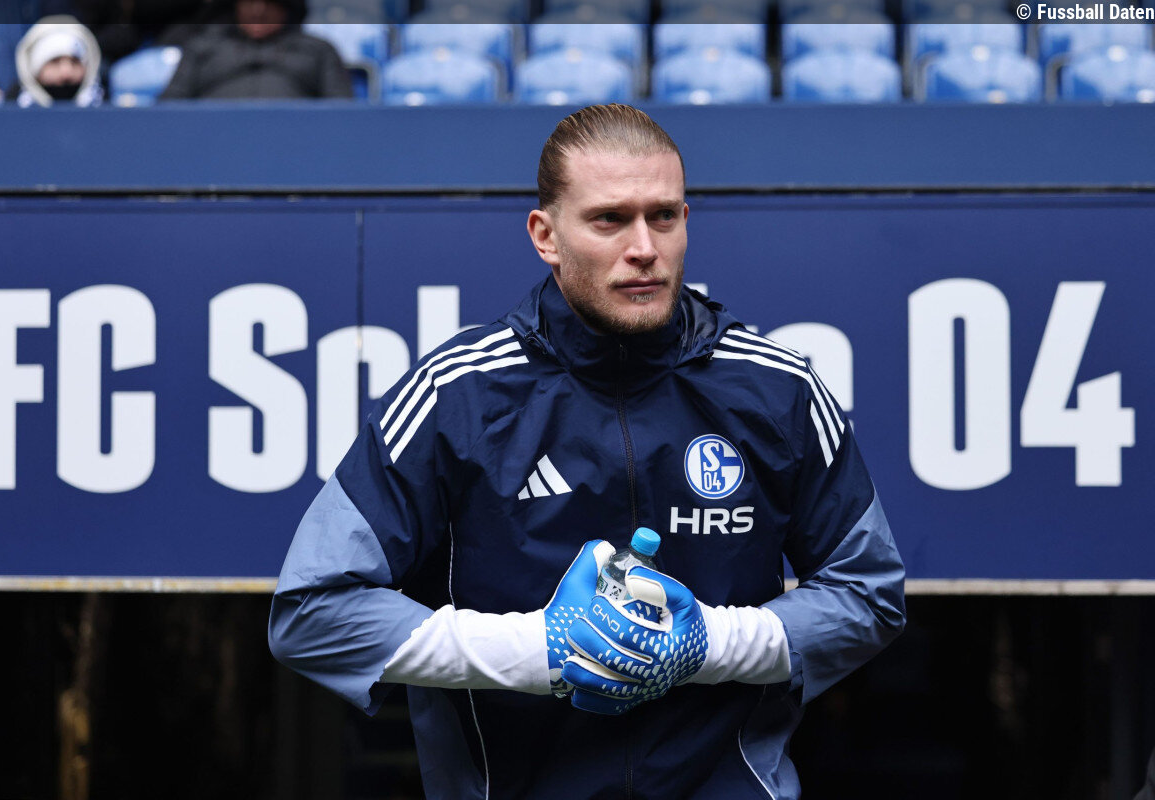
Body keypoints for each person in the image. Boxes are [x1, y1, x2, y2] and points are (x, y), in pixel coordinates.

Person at [269, 104, 906, 799]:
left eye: (664, 216)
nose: (644, 247)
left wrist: (709, 645)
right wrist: (542, 649)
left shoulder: (778, 388)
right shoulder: (458, 396)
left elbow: (867, 594)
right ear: (545, 235)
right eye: (609, 220)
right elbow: (313, 611)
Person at [158, 0, 351, 101]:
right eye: (249, 1)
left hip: (296, 149)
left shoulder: (318, 50)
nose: (258, 11)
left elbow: (343, 116)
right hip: (211, 146)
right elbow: (168, 113)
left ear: (287, 7)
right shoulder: (201, 47)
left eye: (269, 2)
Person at [12, 17, 103, 107]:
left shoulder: (104, 100)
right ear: (34, 70)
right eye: (55, 61)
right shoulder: (11, 102)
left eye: (74, 62)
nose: (66, 72)